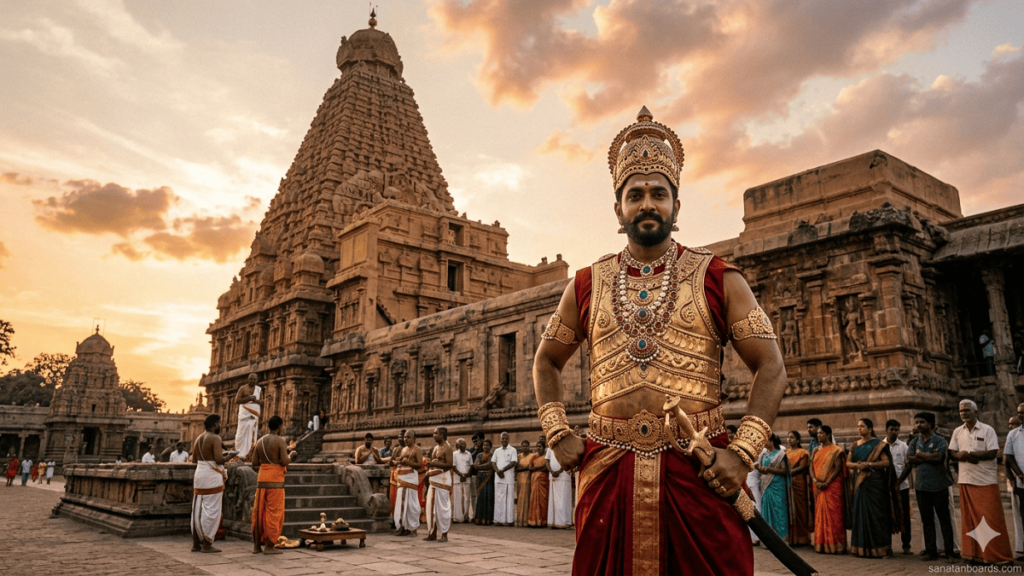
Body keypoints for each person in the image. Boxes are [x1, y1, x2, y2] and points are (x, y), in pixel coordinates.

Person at [532, 108, 786, 575]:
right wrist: (557, 433)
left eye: (658, 194)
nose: (647, 203)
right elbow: (546, 360)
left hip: (699, 464)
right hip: (609, 465)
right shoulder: (587, 284)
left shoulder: (716, 277)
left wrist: (743, 453)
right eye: (635, 195)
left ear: (676, 205)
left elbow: (771, 365)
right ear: (618, 208)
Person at [950, 399, 1013, 564]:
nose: (963, 413)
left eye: (967, 410)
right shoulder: (957, 431)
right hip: (965, 479)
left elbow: (993, 453)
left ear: (976, 412)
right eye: (961, 411)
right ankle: (974, 555)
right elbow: (952, 452)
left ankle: (999, 557)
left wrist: (969, 454)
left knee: (992, 520)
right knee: (969, 521)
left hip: (985, 480)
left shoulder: (987, 430)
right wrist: (960, 456)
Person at [847, 418, 902, 557]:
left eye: (862, 426)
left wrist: (869, 465)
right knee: (861, 514)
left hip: (876, 484)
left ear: (870, 429)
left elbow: (886, 462)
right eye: (858, 426)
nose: (859, 429)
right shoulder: (855, 445)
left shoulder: (879, 444)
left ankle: (881, 548)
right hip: (861, 484)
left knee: (877, 515)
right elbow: (848, 463)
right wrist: (857, 466)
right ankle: (860, 548)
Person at [908, 411, 957, 562]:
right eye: (916, 422)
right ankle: (931, 551)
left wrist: (921, 456)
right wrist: (927, 456)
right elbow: (910, 459)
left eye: (921, 422)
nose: (918, 425)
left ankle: (950, 552)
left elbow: (939, 458)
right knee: (927, 520)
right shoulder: (914, 442)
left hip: (939, 485)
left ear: (930, 423)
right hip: (921, 486)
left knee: (944, 519)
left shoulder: (940, 440)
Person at [251, 415, 296, 555]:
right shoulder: (280, 441)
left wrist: (266, 468)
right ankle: (269, 546)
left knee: (259, 512)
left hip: (262, 479)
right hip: (275, 481)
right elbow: (284, 461)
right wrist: (291, 455)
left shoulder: (260, 441)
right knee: (273, 512)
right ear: (280, 426)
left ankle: (257, 546)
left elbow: (254, 464)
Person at [190, 414, 228, 553]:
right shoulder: (215, 438)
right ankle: (207, 545)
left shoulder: (198, 438)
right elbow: (219, 459)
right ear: (215, 424)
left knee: (197, 510)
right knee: (211, 510)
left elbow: (194, 460)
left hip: (200, 474)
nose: (221, 426)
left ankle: (195, 544)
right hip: (212, 477)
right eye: (220, 423)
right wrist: (230, 455)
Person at [811, 425, 846, 554]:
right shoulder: (815, 450)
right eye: (818, 433)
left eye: (821, 433)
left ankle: (836, 545)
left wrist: (827, 482)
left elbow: (838, 468)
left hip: (832, 487)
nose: (818, 435)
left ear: (828, 434)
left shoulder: (836, 450)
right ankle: (821, 544)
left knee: (834, 515)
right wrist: (815, 480)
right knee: (820, 514)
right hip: (818, 485)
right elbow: (810, 467)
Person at [884, 419, 912, 554]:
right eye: (891, 429)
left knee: (904, 515)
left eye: (897, 430)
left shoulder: (903, 446)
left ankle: (906, 544)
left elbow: (909, 464)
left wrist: (899, 481)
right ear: (886, 430)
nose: (894, 432)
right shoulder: (880, 446)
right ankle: (887, 545)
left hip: (902, 486)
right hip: (885, 487)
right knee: (886, 515)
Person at [755, 434, 789, 540]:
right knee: (766, 509)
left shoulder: (780, 454)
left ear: (772, 441)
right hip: (765, 485)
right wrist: (759, 468)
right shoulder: (764, 454)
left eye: (766, 441)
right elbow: (761, 469)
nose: (764, 443)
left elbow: (784, 471)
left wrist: (768, 470)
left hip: (777, 485)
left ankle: (782, 537)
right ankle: (769, 539)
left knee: (779, 510)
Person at [424, 427, 453, 542]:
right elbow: (434, 461)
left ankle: (444, 534)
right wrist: (430, 464)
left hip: (443, 480)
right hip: (433, 480)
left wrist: (437, 463)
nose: (433, 435)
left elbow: (449, 464)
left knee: (442, 508)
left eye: (436, 433)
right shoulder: (436, 448)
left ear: (442, 435)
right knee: (431, 508)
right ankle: (432, 533)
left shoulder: (448, 448)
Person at [393, 429, 423, 536]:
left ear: (414, 439)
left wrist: (409, 462)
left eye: (408, 437)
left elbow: (419, 464)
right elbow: (401, 461)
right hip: (402, 477)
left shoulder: (417, 449)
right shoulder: (403, 449)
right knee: (400, 503)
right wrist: (398, 462)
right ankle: (403, 526)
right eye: (405, 437)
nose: (405, 439)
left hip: (411, 478)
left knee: (411, 503)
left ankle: (413, 528)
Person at [785, 431, 812, 546]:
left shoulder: (803, 453)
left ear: (798, 440)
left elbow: (803, 467)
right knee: (790, 510)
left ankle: (803, 537)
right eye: (788, 437)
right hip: (788, 483)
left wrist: (787, 473)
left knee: (801, 510)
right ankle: (793, 538)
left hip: (799, 484)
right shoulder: (785, 452)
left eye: (792, 437)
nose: (789, 440)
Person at [1005, 405, 1024, 560]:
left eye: (1023, 413)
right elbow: (1008, 457)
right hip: (1021, 483)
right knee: (1022, 516)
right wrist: (1019, 475)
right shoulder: (1013, 434)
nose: (1020, 416)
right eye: (1019, 413)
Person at [546, 436, 574, 529]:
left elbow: (568, 460)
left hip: (564, 476)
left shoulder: (566, 446)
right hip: (553, 476)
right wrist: (551, 471)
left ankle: (564, 522)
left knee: (563, 500)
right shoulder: (550, 447)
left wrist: (559, 471)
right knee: (553, 500)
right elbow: (547, 460)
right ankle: (553, 522)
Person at [234, 373, 263, 461]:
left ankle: (249, 454)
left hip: (254, 415)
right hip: (244, 415)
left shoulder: (259, 389)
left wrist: (255, 400)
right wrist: (248, 398)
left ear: (256, 380)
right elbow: (237, 400)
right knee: (241, 434)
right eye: (251, 379)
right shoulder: (243, 388)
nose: (252, 381)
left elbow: (262, 402)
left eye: (254, 379)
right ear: (248, 379)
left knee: (252, 433)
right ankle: (239, 453)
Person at [492, 432, 517, 526]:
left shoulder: (513, 450)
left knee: (509, 500)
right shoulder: (497, 451)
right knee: (498, 500)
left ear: (509, 439)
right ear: (500, 439)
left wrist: (502, 470)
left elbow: (513, 462)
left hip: (508, 479)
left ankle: (509, 520)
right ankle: (498, 520)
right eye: (503, 439)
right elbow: (493, 462)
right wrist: (498, 471)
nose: (504, 440)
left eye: (506, 438)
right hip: (498, 479)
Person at [527, 440, 549, 527]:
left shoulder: (546, 457)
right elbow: (530, 467)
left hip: (543, 481)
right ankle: (533, 521)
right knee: (534, 500)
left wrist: (535, 468)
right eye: (537, 446)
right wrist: (539, 468)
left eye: (540, 446)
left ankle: (542, 521)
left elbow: (546, 468)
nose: (538, 448)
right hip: (534, 481)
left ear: (544, 448)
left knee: (543, 500)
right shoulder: (534, 457)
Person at [452, 439, 474, 523]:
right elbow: (453, 466)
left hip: (466, 478)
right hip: (458, 478)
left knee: (466, 498)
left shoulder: (468, 454)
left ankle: (466, 516)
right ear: (457, 445)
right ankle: (457, 517)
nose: (462, 446)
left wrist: (466, 475)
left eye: (464, 444)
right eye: (460, 444)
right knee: (458, 498)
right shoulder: (454, 454)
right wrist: (461, 475)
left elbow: (471, 466)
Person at [473, 439, 495, 525]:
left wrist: (481, 466)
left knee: (488, 497)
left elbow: (491, 465)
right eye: (484, 445)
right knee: (481, 497)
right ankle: (479, 519)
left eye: (487, 445)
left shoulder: (492, 455)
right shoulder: (479, 455)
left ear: (490, 447)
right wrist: (484, 466)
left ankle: (488, 519)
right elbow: (475, 466)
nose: (485, 447)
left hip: (489, 478)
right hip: (480, 478)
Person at [514, 440, 532, 527]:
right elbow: (516, 468)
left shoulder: (532, 456)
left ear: (529, 447)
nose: (525, 448)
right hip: (520, 479)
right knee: (520, 499)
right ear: (521, 447)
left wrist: (524, 468)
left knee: (527, 499)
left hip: (528, 479)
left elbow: (531, 467)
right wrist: (526, 468)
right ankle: (520, 520)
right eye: (523, 446)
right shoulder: (518, 456)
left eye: (526, 446)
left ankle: (527, 520)